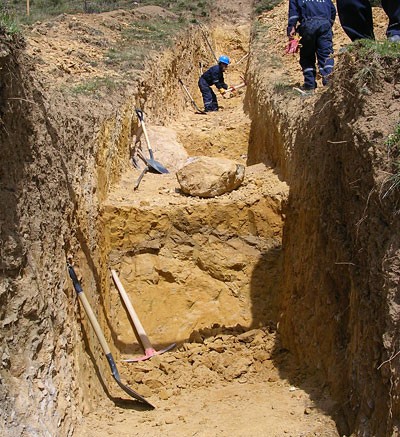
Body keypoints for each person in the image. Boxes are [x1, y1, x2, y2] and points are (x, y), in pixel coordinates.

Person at [287, 0, 336, 92]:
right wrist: (328, 24)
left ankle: (310, 85)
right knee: (326, 54)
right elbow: (333, 10)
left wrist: (291, 27)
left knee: (307, 56)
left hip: (308, 25)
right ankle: (329, 83)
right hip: (325, 25)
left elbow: (293, 13)